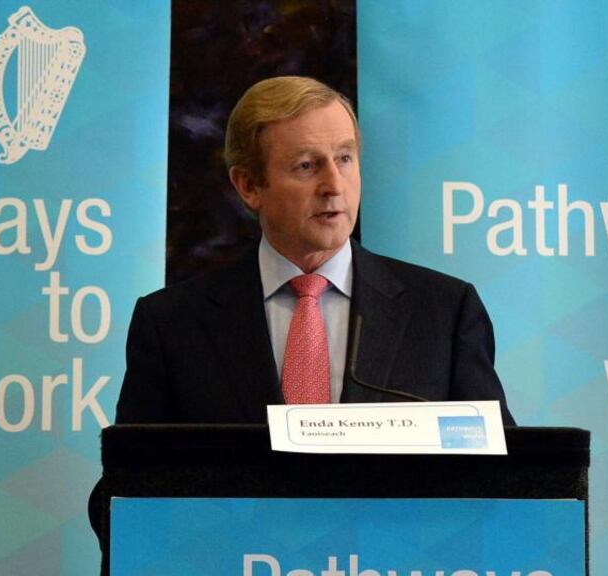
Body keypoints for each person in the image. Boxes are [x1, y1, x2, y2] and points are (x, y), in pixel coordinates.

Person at [114, 76, 515, 426]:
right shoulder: (172, 325)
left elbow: (507, 480)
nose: (334, 185)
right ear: (249, 186)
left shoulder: (444, 313)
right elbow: (122, 496)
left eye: (344, 158)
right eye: (306, 166)